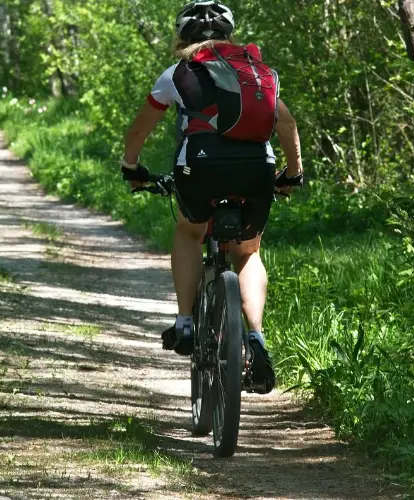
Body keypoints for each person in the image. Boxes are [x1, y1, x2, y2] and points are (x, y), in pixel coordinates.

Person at [120, 1, 304, 394]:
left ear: (182, 36)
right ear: (229, 34)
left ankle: (186, 322)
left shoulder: (177, 73)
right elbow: (285, 123)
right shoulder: (255, 72)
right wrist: (293, 173)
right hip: (256, 169)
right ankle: (255, 337)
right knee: (248, 252)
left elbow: (139, 130)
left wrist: (132, 168)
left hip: (200, 170)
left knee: (189, 231)